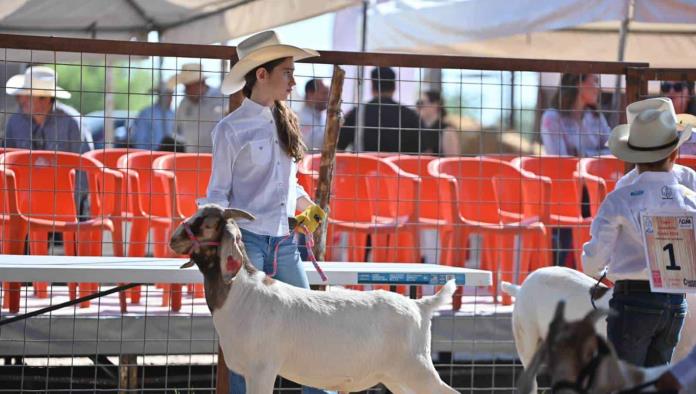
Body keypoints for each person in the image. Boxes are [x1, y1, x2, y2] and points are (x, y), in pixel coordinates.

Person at [199, 30, 332, 394]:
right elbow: (216, 194)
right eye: (287, 72)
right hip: (248, 248)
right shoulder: (229, 130)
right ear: (262, 74)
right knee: (248, 347)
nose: (294, 79)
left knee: (313, 335)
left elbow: (288, 184)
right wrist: (228, 241)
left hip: (285, 244)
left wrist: (306, 205)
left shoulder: (285, 121)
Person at [582, 97, 694, 367]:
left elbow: (594, 259)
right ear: (674, 154)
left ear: (633, 155)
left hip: (633, 300)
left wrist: (596, 270)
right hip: (675, 304)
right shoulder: (691, 198)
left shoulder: (620, 199)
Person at [337, 67, 421, 153]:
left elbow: (339, 149)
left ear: (372, 87)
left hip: (364, 165)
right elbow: (424, 151)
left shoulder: (357, 113)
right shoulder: (410, 115)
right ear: (394, 87)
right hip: (400, 166)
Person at [540, 73, 611, 157]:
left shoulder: (596, 116)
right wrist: (598, 155)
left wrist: (585, 154)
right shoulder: (552, 118)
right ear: (579, 83)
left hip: (596, 170)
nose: (599, 88)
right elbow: (559, 161)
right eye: (595, 81)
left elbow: (614, 151)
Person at [170, 63, 227, 153]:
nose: (186, 89)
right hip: (190, 158)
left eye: (190, 85)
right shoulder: (183, 103)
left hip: (217, 157)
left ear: (201, 83)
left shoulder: (221, 98)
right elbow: (176, 130)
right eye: (186, 85)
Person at [130, 86, 175, 150]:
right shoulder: (146, 113)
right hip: (150, 154)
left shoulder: (172, 114)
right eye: (167, 94)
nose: (170, 98)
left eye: (171, 94)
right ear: (160, 95)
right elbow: (139, 139)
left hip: (169, 155)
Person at [415, 90, 460, 156]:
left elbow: (453, 160)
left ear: (435, 105)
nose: (418, 107)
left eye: (421, 103)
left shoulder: (447, 130)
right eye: (417, 103)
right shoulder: (417, 127)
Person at [661, 80, 696, 155]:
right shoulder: (654, 122)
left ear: (690, 93)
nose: (671, 91)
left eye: (678, 87)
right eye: (666, 87)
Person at [298, 78, 329, 152]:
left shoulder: (324, 117)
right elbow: (314, 144)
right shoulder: (300, 118)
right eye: (325, 93)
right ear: (310, 94)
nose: (328, 97)